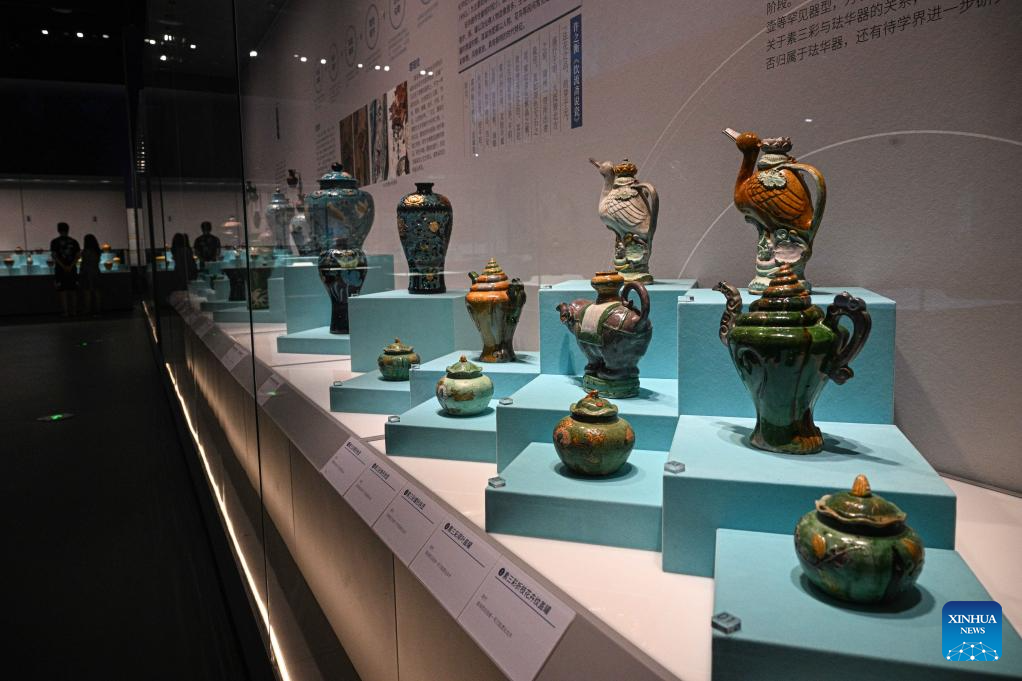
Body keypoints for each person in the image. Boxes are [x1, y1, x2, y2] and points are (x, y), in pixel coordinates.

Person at [50, 222, 81, 316]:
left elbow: (54, 256)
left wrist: (63, 266)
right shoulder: (74, 241)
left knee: (62, 291)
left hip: (60, 269)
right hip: (72, 269)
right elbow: (78, 255)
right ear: (68, 229)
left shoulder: (54, 242)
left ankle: (66, 311)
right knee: (73, 290)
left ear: (58, 230)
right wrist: (71, 266)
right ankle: (74, 311)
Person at [79, 234, 102, 315]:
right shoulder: (97, 251)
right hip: (96, 271)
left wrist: (81, 272)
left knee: (87, 291)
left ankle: (87, 309)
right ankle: (98, 309)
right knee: (97, 291)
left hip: (87, 273)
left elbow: (84, 264)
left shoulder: (85, 252)